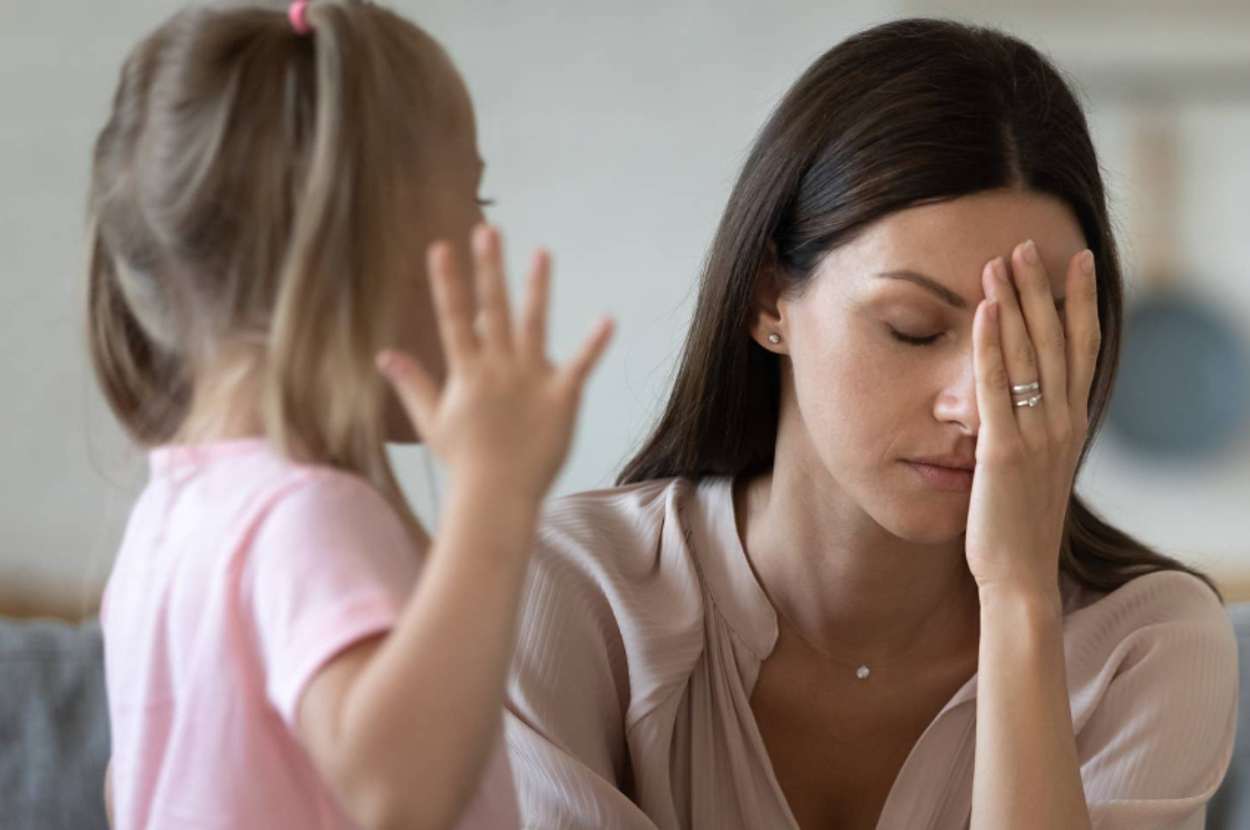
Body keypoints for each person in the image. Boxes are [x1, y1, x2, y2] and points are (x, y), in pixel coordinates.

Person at [503, 18, 1237, 830]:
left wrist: (1020, 598)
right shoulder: (569, 596)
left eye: (1034, 338)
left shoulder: (1149, 643)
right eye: (914, 327)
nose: (976, 404)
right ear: (766, 299)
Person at [88, 2, 612, 828]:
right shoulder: (309, 514)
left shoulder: (167, 521)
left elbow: (134, 790)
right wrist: (495, 493)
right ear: (363, 249)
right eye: (474, 199)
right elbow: (401, 791)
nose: (487, 236)